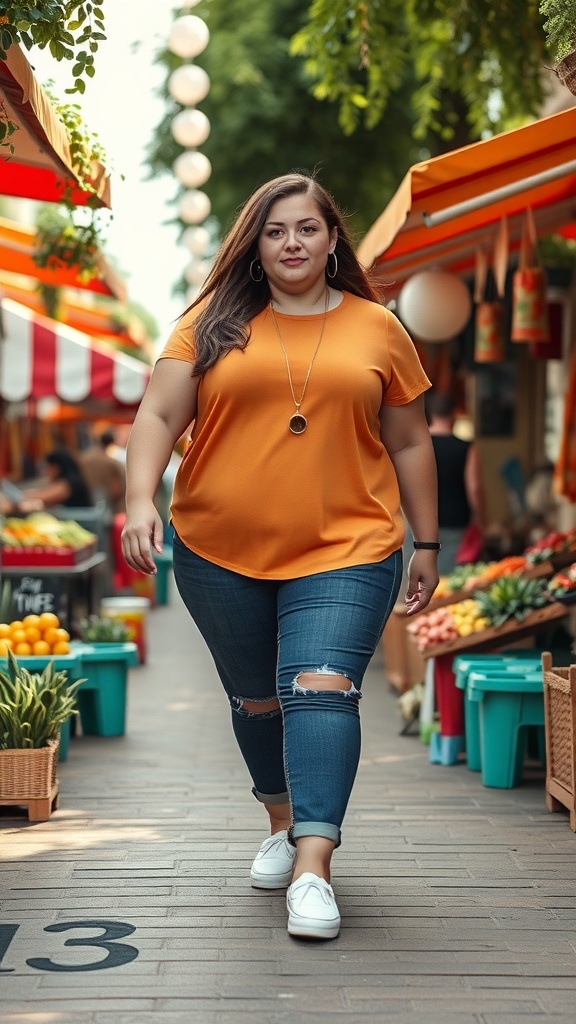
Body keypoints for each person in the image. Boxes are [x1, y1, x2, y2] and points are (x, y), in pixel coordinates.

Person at [121, 172, 439, 940]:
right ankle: (280, 819)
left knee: (321, 690)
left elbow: (408, 440)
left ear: (332, 242)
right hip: (217, 551)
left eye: (306, 228)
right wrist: (139, 501)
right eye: (275, 230)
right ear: (255, 246)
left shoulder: (378, 328)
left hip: (348, 547)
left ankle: (313, 867)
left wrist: (427, 541)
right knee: (258, 699)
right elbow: (159, 415)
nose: (291, 242)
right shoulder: (209, 324)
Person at [427, 391, 486, 575]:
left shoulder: (417, 446)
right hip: (456, 521)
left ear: (431, 414)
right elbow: (474, 488)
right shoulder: (466, 448)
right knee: (450, 580)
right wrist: (481, 520)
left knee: (419, 580)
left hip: (420, 521)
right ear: (453, 414)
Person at [23, 449, 93, 509]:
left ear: (57, 468)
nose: (47, 471)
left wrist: (22, 495)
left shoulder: (68, 484)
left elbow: (44, 497)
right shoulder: (71, 480)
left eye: (49, 467)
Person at [79, 430, 126, 514]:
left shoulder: (83, 458)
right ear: (111, 443)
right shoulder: (112, 463)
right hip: (105, 503)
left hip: (84, 500)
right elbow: (116, 490)